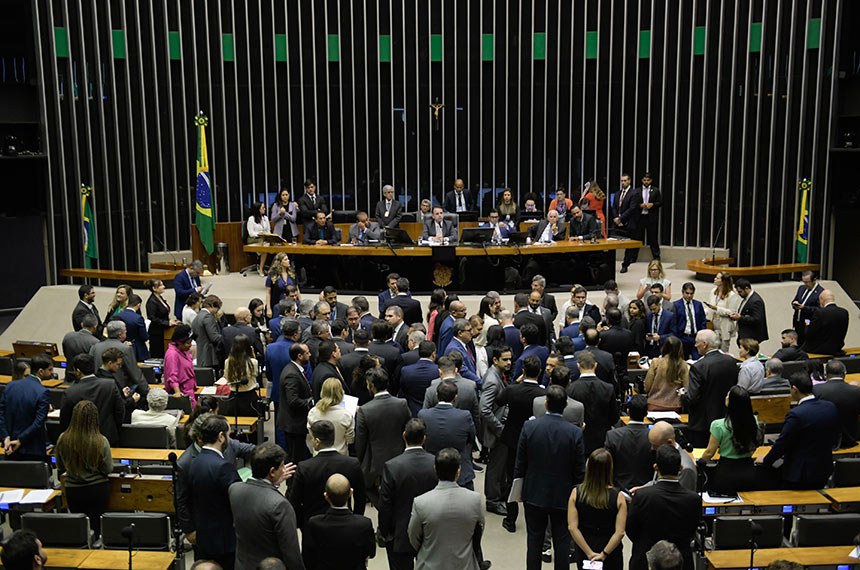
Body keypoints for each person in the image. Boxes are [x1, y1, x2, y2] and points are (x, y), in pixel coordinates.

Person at [515, 385, 586, 570]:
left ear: (546, 404)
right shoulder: (575, 432)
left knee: (534, 541)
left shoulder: (529, 427)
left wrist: (519, 490)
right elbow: (579, 471)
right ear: (565, 405)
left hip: (534, 492)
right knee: (562, 542)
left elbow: (520, 463)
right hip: (564, 495)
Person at [756, 372, 840, 489]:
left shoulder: (796, 414)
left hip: (800, 473)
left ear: (794, 389)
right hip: (824, 469)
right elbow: (835, 435)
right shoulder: (830, 406)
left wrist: (766, 460)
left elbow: (783, 443)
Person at [228, 443, 302, 570]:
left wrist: (273, 484)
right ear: (272, 471)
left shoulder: (234, 489)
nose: (284, 469)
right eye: (282, 466)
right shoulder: (280, 505)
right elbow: (291, 553)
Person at [408, 448, 485, 570]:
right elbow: (478, 531)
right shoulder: (474, 499)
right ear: (458, 471)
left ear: (435, 469)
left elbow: (413, 537)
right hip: (464, 565)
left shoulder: (421, 502)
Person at [378, 418, 438, 570]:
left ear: (404, 435)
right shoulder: (435, 463)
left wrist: (385, 532)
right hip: (430, 533)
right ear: (424, 439)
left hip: (400, 533)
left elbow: (385, 503)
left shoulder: (392, 466)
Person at [627, 445, 700, 570]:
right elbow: (691, 531)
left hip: (646, 556)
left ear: (656, 467)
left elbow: (631, 529)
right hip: (680, 560)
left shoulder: (642, 496)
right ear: (680, 468)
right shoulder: (693, 499)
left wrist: (645, 543)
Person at [496, 355, 546, 532]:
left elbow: (499, 400)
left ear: (523, 372)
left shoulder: (512, 390)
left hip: (513, 438)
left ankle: (511, 520)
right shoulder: (543, 394)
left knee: (512, 478)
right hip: (535, 440)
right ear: (540, 372)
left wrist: (515, 383)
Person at [289, 420, 366, 527]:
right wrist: (355, 521)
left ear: (317, 441)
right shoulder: (352, 464)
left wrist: (303, 524)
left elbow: (295, 502)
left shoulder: (304, 467)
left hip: (313, 525)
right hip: (345, 523)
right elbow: (360, 498)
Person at [188, 415, 241, 570]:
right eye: (229, 435)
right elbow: (238, 500)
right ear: (221, 437)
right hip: (223, 541)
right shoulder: (224, 467)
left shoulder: (193, 461)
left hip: (203, 537)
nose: (229, 439)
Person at [55, 401, 112, 539]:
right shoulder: (101, 441)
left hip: (73, 490)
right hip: (97, 489)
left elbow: (60, 466)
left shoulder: (63, 439)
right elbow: (107, 468)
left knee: (80, 527)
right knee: (97, 527)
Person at [356, 368, 412, 503]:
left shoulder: (364, 410)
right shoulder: (402, 403)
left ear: (371, 385)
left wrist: (360, 460)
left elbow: (360, 441)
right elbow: (409, 428)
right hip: (400, 456)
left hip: (375, 462)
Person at [568, 448, 627, 570]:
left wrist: (589, 553)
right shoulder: (618, 497)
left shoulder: (576, 493)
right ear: (610, 469)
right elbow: (620, 532)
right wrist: (603, 554)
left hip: (585, 548)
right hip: (611, 551)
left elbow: (572, 527)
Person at [302, 473, 376, 570]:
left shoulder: (315, 523)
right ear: (350, 493)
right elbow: (371, 552)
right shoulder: (364, 524)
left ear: (326, 496)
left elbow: (309, 554)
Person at [698, 385, 763, 493]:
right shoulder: (754, 421)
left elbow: (709, 452)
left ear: (731, 402)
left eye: (728, 396)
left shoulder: (718, 425)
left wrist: (699, 463)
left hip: (726, 471)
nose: (726, 397)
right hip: (748, 469)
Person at [683, 330, 740, 447]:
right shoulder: (731, 362)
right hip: (726, 420)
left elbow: (692, 398)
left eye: (697, 342)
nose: (695, 345)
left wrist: (683, 395)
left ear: (704, 344)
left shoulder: (698, 367)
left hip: (703, 424)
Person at [419, 380, 476, 490]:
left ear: (437, 395)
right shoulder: (464, 416)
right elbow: (471, 439)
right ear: (455, 397)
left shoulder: (423, 414)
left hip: (431, 471)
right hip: (459, 471)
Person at [60, 353, 125, 445]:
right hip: (108, 436)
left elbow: (65, 421)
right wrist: (114, 429)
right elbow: (120, 411)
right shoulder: (110, 385)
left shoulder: (70, 392)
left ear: (78, 371)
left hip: (81, 441)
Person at [0, 355, 50, 461]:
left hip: (9, 447)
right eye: (49, 370)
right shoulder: (42, 392)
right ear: (41, 371)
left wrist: (6, 437)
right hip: (32, 449)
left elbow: (1, 414)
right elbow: (39, 422)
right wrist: (20, 440)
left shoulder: (10, 386)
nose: (51, 373)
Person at [569, 351, 619, 455]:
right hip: (602, 440)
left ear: (578, 366)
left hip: (580, 440)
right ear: (595, 365)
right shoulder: (608, 388)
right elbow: (614, 418)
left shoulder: (571, 389)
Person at [604, 395, 654, 492]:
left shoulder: (612, 436)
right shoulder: (654, 437)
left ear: (628, 411)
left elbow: (607, 467)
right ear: (646, 413)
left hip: (618, 489)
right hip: (646, 490)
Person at [278, 343, 314, 464]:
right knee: (295, 457)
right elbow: (293, 401)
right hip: (293, 423)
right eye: (307, 353)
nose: (310, 355)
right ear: (299, 356)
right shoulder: (292, 374)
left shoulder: (293, 369)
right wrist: (311, 402)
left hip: (295, 422)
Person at [813, 360, 860, 448]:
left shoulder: (815, 390)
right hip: (852, 438)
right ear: (845, 373)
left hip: (823, 439)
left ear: (825, 374)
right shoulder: (857, 391)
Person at [307, 377, 355, 455]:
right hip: (340, 455)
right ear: (340, 393)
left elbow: (311, 436)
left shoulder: (313, 413)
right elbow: (350, 440)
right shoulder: (346, 415)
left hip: (319, 455)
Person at [642, 337, 688, 412]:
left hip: (654, 404)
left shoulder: (656, 362)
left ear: (664, 347)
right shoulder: (683, 364)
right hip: (675, 406)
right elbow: (686, 388)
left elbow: (647, 387)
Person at [801, 289, 850, 355]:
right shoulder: (844, 312)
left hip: (818, 350)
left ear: (822, 299)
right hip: (836, 349)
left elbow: (808, 333)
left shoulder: (820, 313)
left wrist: (807, 325)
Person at [612, 174, 643, 273]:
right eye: (622, 181)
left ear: (629, 181)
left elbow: (632, 208)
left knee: (629, 246)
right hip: (618, 222)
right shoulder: (617, 193)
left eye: (625, 181)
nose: (623, 183)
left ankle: (625, 264)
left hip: (630, 222)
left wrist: (621, 218)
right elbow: (614, 207)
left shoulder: (634, 193)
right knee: (612, 241)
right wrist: (616, 218)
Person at [400, 341, 440, 418]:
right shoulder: (438, 371)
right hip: (432, 412)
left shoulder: (406, 370)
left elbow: (404, 390)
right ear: (433, 354)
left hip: (413, 411)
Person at [704, 272, 740, 352]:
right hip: (713, 324)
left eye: (717, 278)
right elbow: (710, 307)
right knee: (712, 350)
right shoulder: (713, 291)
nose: (714, 279)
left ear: (723, 281)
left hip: (724, 327)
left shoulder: (732, 295)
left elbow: (732, 312)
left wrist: (717, 309)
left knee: (723, 352)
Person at [163, 324, 197, 405]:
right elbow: (172, 376)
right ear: (179, 343)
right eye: (188, 343)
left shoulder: (184, 351)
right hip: (182, 394)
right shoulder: (172, 354)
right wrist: (177, 392)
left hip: (190, 391)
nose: (190, 345)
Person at [672, 283, 707, 359]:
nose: (689, 296)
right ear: (682, 292)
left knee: (698, 359)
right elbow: (674, 322)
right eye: (687, 293)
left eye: (691, 293)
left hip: (696, 337)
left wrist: (701, 334)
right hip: (683, 337)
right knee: (683, 360)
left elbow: (703, 320)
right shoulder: (676, 305)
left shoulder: (698, 304)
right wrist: (677, 336)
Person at [144, 278, 177, 359]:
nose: (164, 286)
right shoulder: (151, 302)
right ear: (154, 288)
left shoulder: (159, 297)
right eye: (161, 285)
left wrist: (169, 321)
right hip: (156, 333)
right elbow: (152, 318)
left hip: (163, 330)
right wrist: (167, 323)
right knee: (158, 353)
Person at [730, 278, 769, 343]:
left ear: (747, 288)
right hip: (744, 333)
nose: (739, 294)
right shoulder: (747, 298)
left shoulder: (756, 301)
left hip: (751, 336)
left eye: (740, 291)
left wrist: (740, 318)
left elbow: (757, 319)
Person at [790, 270, 823, 345]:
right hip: (798, 322)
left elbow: (819, 309)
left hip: (809, 324)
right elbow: (796, 299)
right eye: (804, 282)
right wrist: (794, 304)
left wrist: (804, 308)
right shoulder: (801, 288)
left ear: (814, 280)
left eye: (807, 282)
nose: (805, 284)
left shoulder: (820, 292)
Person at [192, 295, 224, 372]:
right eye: (217, 308)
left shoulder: (198, 316)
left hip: (201, 356)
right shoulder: (208, 317)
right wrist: (225, 336)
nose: (217, 311)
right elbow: (214, 338)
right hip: (209, 357)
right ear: (212, 306)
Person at [116, 293, 150, 361]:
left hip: (121, 347)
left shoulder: (118, 315)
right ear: (138, 305)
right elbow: (144, 337)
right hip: (137, 350)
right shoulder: (138, 318)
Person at [637, 172, 662, 259]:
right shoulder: (637, 190)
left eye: (648, 180)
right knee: (638, 238)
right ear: (642, 180)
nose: (646, 182)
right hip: (640, 217)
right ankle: (632, 257)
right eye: (644, 180)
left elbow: (660, 202)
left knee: (653, 238)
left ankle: (656, 257)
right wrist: (640, 205)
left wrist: (653, 205)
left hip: (651, 217)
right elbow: (633, 203)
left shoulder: (655, 190)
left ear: (651, 181)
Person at [265, 253, 297, 317]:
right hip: (277, 304)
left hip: (291, 305)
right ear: (280, 262)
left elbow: (297, 289)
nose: (288, 261)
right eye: (285, 259)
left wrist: (300, 302)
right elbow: (268, 293)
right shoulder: (272, 275)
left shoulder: (292, 273)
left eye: (288, 259)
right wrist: (268, 308)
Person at [246, 201, 272, 275]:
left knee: (274, 244)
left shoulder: (265, 218)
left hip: (264, 239)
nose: (265, 209)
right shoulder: (251, 219)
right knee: (265, 246)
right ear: (258, 209)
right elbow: (251, 233)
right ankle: (261, 269)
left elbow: (268, 231)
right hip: (253, 239)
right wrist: (260, 234)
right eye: (263, 207)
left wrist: (269, 236)